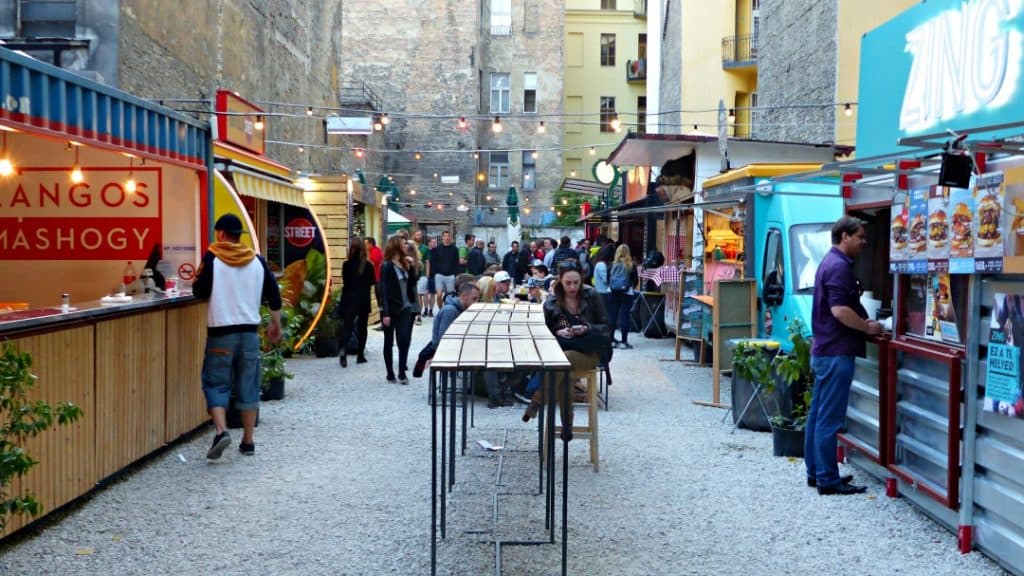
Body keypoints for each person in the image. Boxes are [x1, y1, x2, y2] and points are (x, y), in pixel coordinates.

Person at [193, 214, 282, 459]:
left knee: (216, 382)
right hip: (249, 333)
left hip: (221, 332)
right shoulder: (257, 260)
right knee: (248, 384)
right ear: (239, 235)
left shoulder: (213, 257)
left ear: (221, 233)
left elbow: (198, 290)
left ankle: (221, 431)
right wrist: (276, 323)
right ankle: (248, 441)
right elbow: (274, 295)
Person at [806, 216, 882, 495]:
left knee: (817, 415)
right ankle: (827, 478)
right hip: (836, 351)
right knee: (829, 417)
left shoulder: (830, 262)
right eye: (860, 236)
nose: (864, 242)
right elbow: (839, 311)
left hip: (825, 350)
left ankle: (816, 472)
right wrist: (867, 326)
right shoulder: (839, 267)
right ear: (844, 236)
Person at [522, 261, 610, 422]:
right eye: (568, 283)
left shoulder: (592, 296)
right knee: (563, 367)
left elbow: (607, 327)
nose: (572, 287)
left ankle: (537, 400)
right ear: (560, 281)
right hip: (559, 352)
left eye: (576, 282)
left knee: (564, 360)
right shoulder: (551, 302)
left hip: (589, 351)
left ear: (582, 280)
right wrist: (557, 331)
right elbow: (543, 334)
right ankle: (567, 423)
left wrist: (587, 327)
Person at [414, 281, 482, 378]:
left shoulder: (460, 308)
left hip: (452, 348)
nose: (477, 302)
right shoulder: (450, 311)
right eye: (474, 299)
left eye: (478, 299)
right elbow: (444, 340)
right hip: (445, 351)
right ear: (463, 297)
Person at [379, 236, 419, 384]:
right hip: (391, 308)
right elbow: (383, 289)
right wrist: (386, 313)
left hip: (406, 307)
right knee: (388, 341)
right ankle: (390, 372)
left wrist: (413, 265)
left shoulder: (405, 263)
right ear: (396, 246)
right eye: (403, 244)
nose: (406, 246)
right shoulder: (387, 266)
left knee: (403, 340)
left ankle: (402, 372)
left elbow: (414, 281)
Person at [337, 238, 375, 368]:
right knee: (362, 327)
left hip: (349, 298)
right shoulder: (368, 265)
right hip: (363, 299)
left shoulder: (346, 265)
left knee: (347, 326)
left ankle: (343, 350)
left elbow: (345, 282)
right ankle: (360, 355)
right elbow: (372, 282)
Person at [606, 244, 639, 349]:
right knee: (624, 316)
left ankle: (611, 340)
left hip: (612, 293)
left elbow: (608, 279)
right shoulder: (631, 265)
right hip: (626, 294)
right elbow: (635, 280)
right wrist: (629, 286)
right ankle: (624, 341)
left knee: (612, 316)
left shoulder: (612, 265)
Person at [430, 230, 460, 309]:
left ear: (450, 237)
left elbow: (457, 262)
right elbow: (434, 261)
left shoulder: (455, 249)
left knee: (449, 296)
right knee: (439, 295)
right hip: (439, 275)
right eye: (445, 236)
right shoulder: (437, 249)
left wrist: (456, 274)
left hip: (450, 276)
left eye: (448, 236)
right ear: (442, 237)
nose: (447, 238)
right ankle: (441, 310)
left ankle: (448, 310)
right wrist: (434, 273)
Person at [406, 242, 425, 325]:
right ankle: (418, 316)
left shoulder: (404, 262)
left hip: (406, 293)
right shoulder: (418, 263)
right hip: (413, 292)